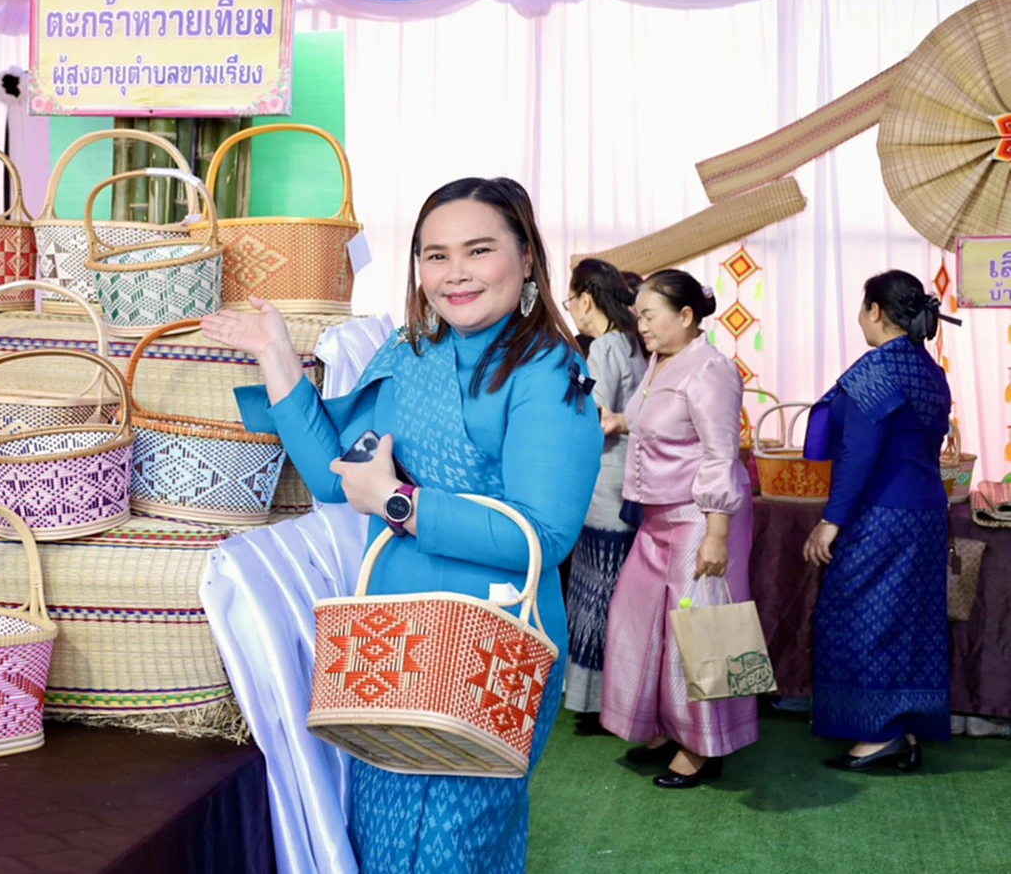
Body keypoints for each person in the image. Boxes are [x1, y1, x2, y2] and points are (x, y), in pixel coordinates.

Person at [203, 177, 602, 872]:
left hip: (492, 644)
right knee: (381, 839)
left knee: (455, 848)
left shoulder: (547, 372)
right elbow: (336, 476)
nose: (455, 273)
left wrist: (400, 503)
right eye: (435, 255)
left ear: (526, 257)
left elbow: (541, 536)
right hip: (389, 640)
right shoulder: (411, 354)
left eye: (478, 250)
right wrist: (275, 356)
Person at [599, 269, 758, 787]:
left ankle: (706, 745)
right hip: (656, 516)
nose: (640, 325)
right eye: (638, 316)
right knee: (637, 618)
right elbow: (659, 421)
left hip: (700, 515)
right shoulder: (660, 361)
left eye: (649, 315)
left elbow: (719, 454)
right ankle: (667, 726)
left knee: (702, 628)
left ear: (686, 316)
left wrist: (717, 535)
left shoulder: (711, 369)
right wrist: (619, 420)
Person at [801, 270, 952, 771]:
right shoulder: (929, 370)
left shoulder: (876, 370)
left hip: (881, 515)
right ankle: (903, 726)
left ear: (875, 311)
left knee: (856, 615)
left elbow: (859, 453)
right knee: (909, 623)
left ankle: (877, 735)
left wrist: (831, 520)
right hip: (926, 513)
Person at [562, 258, 648, 733]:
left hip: (606, 483)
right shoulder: (632, 343)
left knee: (597, 590)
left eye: (570, 299)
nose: (570, 308)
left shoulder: (605, 348)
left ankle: (595, 701)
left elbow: (594, 418)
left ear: (586, 300)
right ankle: (617, 696)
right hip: (627, 481)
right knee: (615, 591)